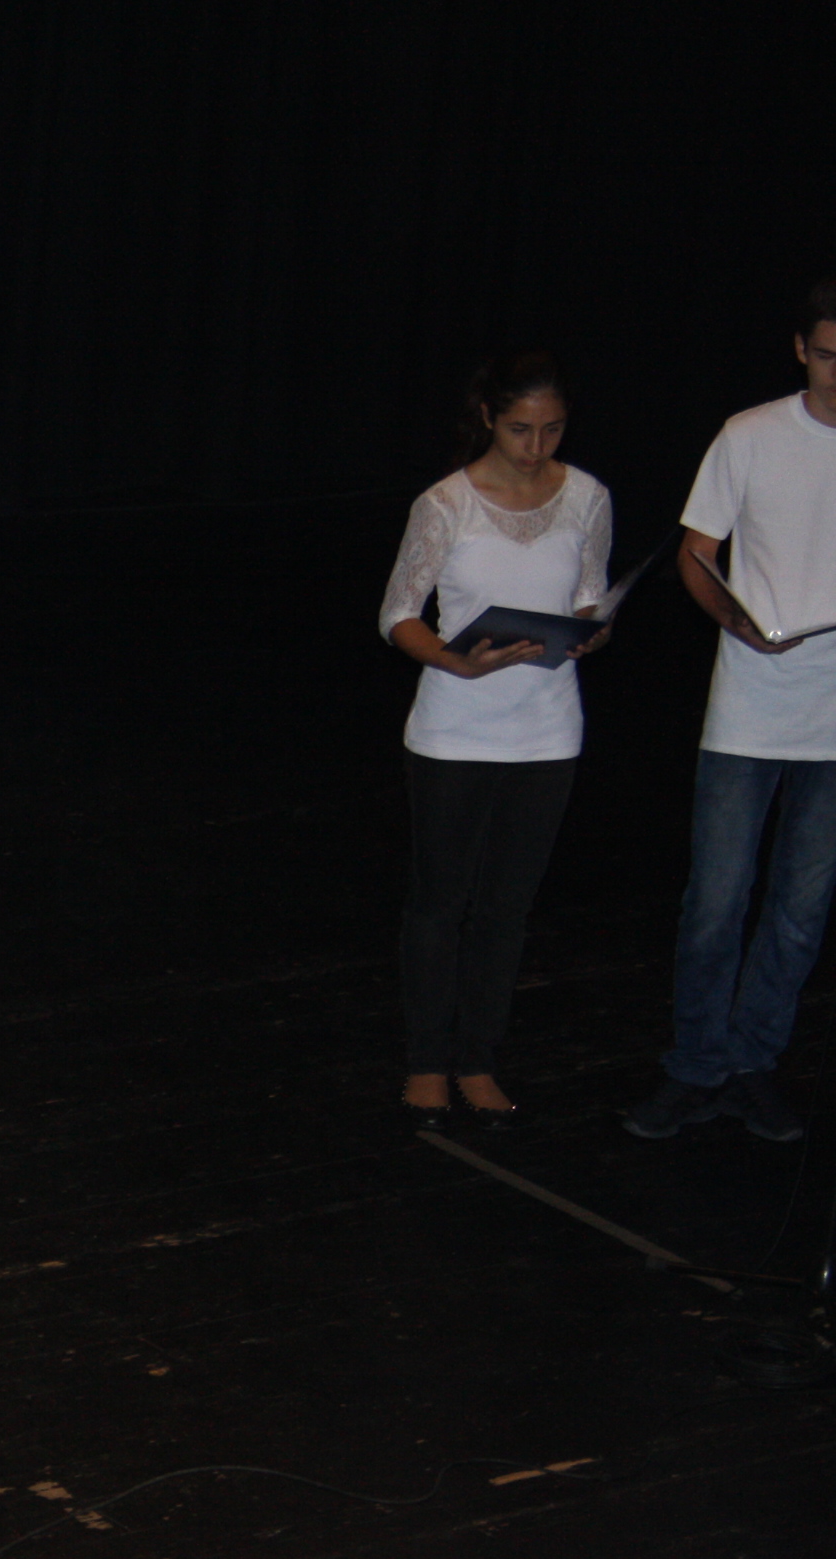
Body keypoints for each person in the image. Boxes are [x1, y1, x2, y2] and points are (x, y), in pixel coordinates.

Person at [374, 352, 614, 1130]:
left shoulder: (588, 496)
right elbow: (398, 612)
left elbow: (590, 596)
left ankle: (478, 1057)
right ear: (488, 418)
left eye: (552, 430)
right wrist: (455, 661)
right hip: (455, 729)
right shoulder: (446, 503)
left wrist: (591, 631)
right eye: (520, 430)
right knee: (439, 903)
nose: (536, 446)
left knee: (507, 908)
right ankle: (426, 1061)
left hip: (547, 730)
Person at [629, 278, 836, 1144]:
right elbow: (696, 551)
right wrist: (735, 621)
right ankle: (696, 1067)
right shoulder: (749, 435)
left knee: (800, 911)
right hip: (750, 704)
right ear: (800, 350)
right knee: (716, 900)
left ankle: (753, 1064)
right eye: (828, 355)